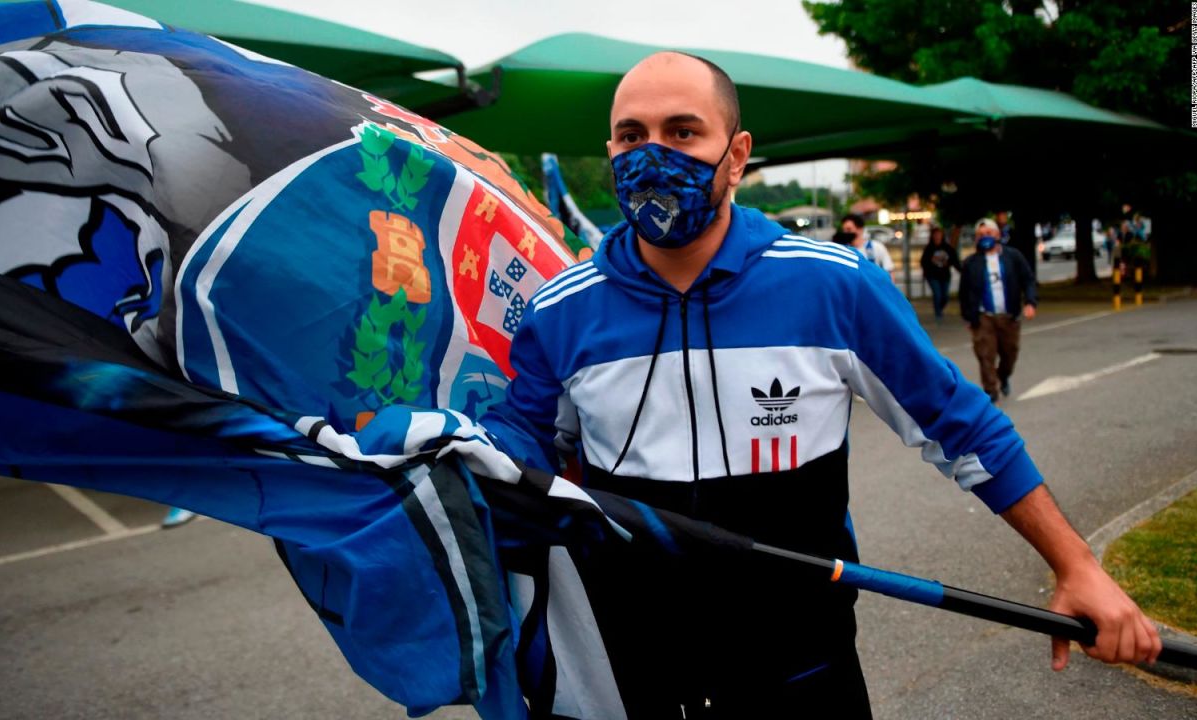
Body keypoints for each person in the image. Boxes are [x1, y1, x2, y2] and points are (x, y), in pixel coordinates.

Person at [480, 52, 1160, 719]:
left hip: (803, 664)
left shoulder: (833, 283)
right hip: (636, 671)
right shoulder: (560, 309)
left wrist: (1079, 568)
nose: (652, 153)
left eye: (683, 132)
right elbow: (525, 452)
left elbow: (964, 428)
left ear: (737, 154)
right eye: (632, 136)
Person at [958, 219, 1036, 402]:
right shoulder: (971, 263)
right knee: (985, 354)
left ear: (997, 235)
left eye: (989, 234)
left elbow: (1028, 280)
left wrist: (1030, 302)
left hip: (1009, 315)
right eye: (981, 235)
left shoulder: (1013, 257)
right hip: (984, 317)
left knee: (1010, 353)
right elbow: (964, 292)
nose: (985, 238)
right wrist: (968, 317)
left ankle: (1004, 376)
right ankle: (991, 390)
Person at [919, 225, 961, 324]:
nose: (937, 236)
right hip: (932, 275)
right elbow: (923, 262)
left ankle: (940, 308)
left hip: (945, 275)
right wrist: (930, 264)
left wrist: (960, 269)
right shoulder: (929, 249)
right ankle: (938, 313)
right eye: (935, 235)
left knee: (945, 296)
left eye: (939, 234)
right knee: (937, 294)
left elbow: (954, 260)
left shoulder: (947, 248)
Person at [840, 212, 895, 282]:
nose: (845, 233)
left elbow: (889, 271)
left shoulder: (876, 247)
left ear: (860, 229)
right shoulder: (843, 251)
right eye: (844, 230)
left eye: (849, 229)